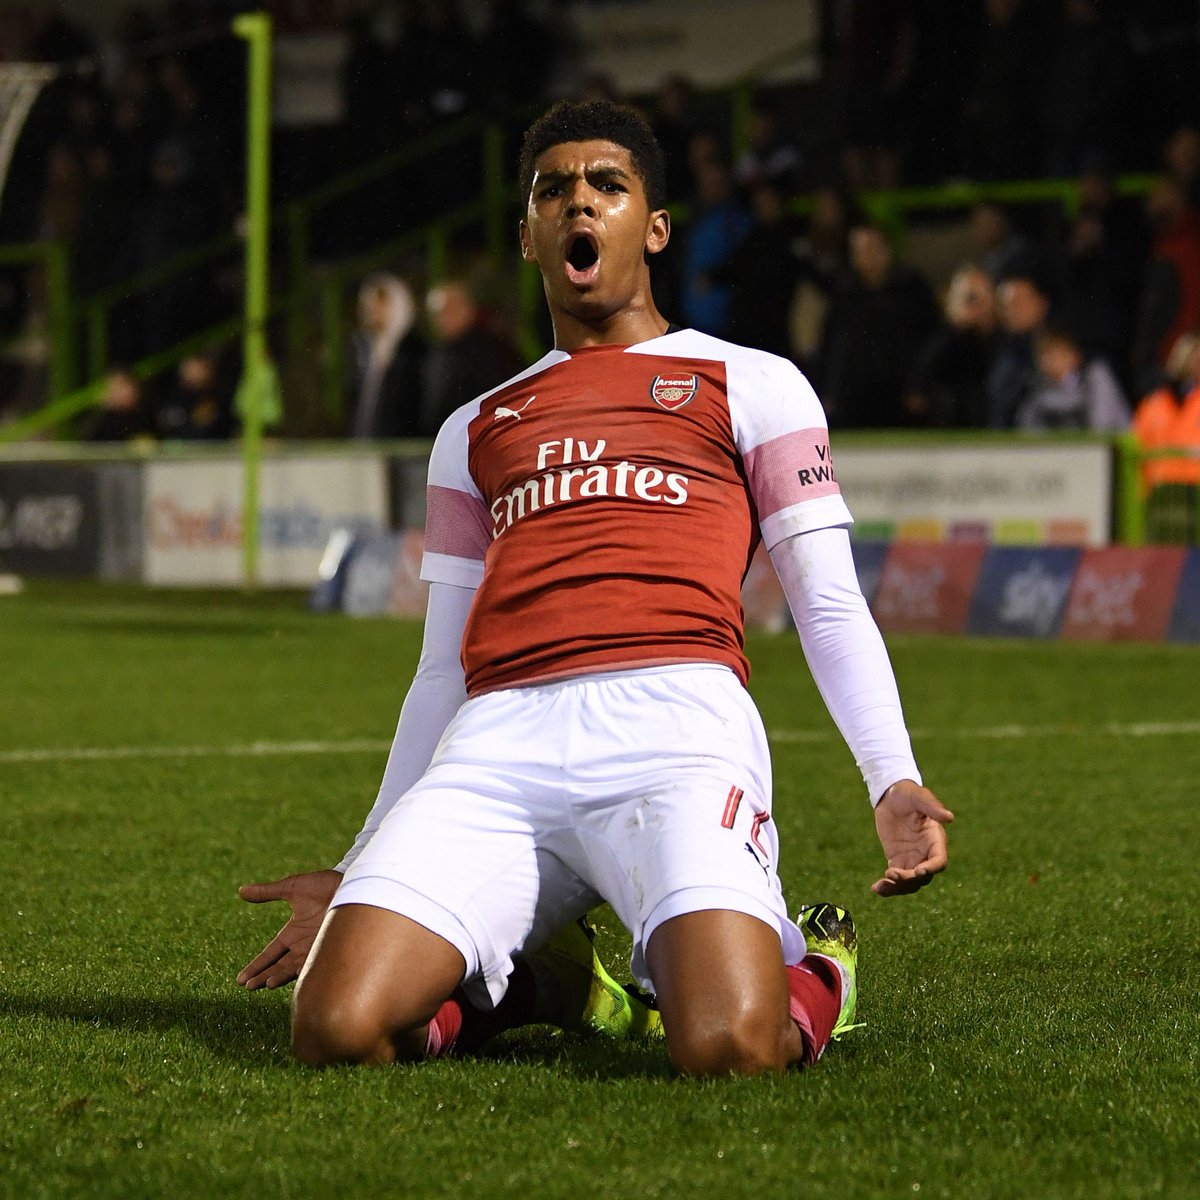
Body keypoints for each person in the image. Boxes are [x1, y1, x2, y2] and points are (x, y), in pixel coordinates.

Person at [237, 100, 952, 1077]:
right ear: (528, 236)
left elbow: (827, 600)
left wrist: (892, 775)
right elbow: (443, 663)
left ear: (652, 228)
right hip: (498, 753)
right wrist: (362, 861)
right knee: (335, 1029)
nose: (580, 202)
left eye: (608, 185)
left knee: (731, 1046)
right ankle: (546, 984)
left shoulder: (751, 383)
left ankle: (821, 970)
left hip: (676, 737)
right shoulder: (475, 427)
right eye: (552, 189)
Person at [348, 273, 426, 439]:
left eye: (379, 304)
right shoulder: (364, 349)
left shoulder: (415, 350)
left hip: (401, 449)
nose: (371, 310)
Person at [1015, 326, 1130, 432]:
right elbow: (1027, 428)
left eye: (1060, 354)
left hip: (1106, 447)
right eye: (1046, 355)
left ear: (1075, 355)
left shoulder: (1095, 376)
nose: (1053, 361)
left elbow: (1102, 425)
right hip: (1061, 451)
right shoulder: (1036, 386)